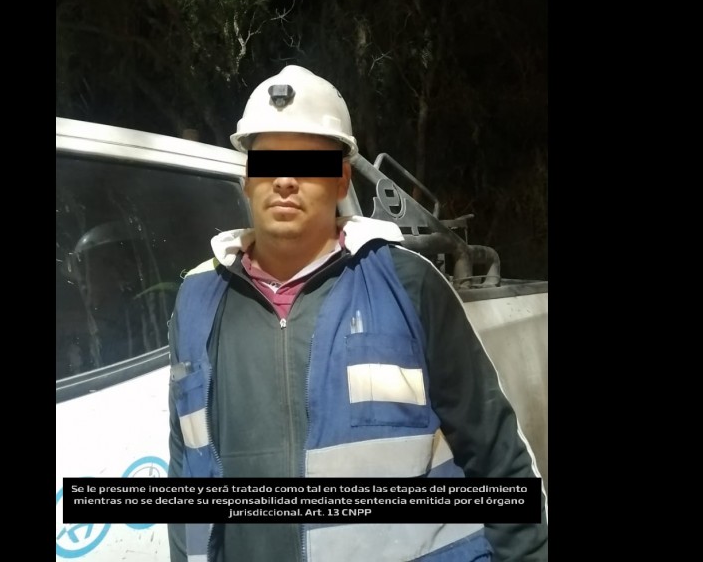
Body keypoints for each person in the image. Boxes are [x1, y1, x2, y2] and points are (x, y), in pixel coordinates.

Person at [168, 65, 548, 561]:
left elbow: (496, 454)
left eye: (308, 163)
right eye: (268, 161)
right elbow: (185, 466)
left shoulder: (408, 284)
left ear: (341, 177)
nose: (285, 180)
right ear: (246, 178)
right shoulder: (197, 299)